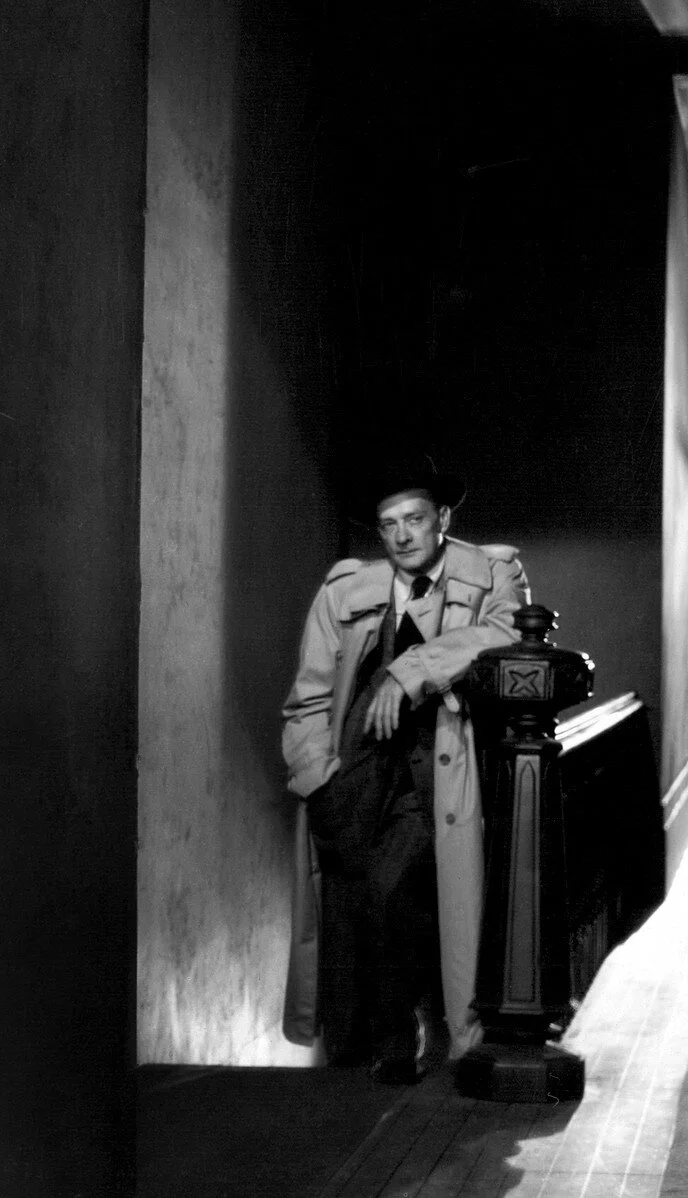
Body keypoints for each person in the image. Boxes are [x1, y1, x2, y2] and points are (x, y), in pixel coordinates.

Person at [281, 458, 527, 1082]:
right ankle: (357, 1057)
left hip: (435, 775)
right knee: (347, 909)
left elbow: (506, 633)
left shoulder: (494, 573)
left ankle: (402, 1040)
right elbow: (309, 697)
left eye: (414, 519)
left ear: (441, 518)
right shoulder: (345, 591)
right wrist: (317, 775)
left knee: (393, 890)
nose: (402, 536)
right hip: (353, 776)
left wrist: (409, 671)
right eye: (388, 525)